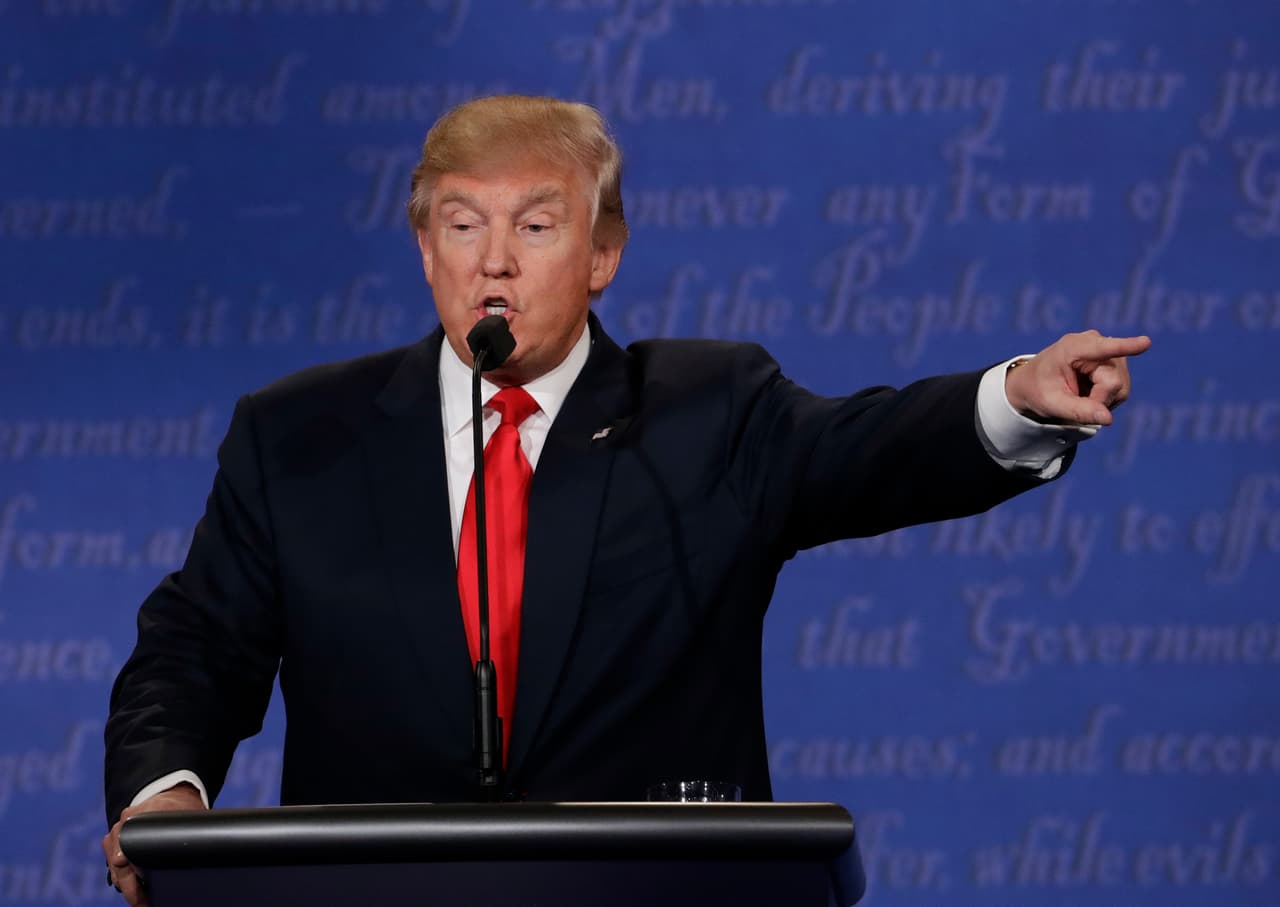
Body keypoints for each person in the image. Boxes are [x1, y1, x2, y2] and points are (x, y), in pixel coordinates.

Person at [102, 94, 1149, 904]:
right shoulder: (299, 436)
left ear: (604, 253)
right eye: (462, 226)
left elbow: (868, 449)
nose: (494, 264)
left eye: (536, 225)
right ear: (425, 249)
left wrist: (1016, 397)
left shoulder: (705, 412)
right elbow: (197, 644)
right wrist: (166, 796)